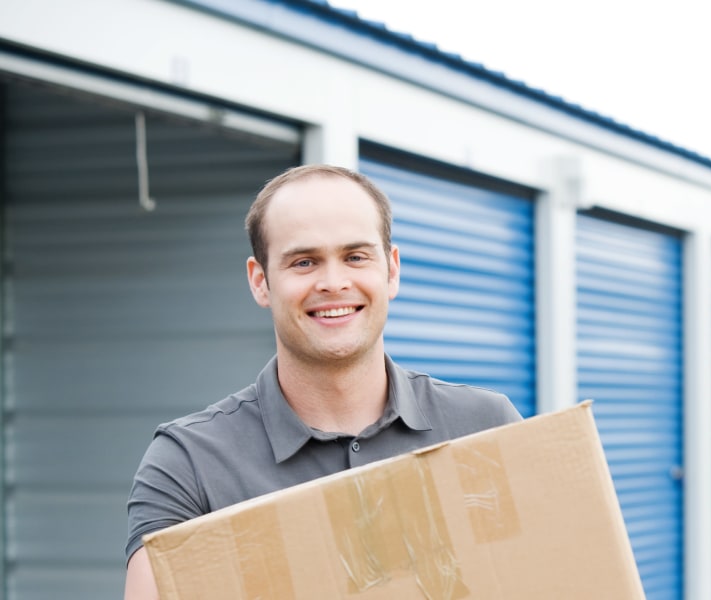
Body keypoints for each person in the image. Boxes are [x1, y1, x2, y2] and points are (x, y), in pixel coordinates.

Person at [123, 165, 522, 599]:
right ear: (261, 281)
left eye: (355, 256)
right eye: (304, 262)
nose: (333, 283)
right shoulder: (191, 464)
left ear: (391, 270)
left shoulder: (487, 428)